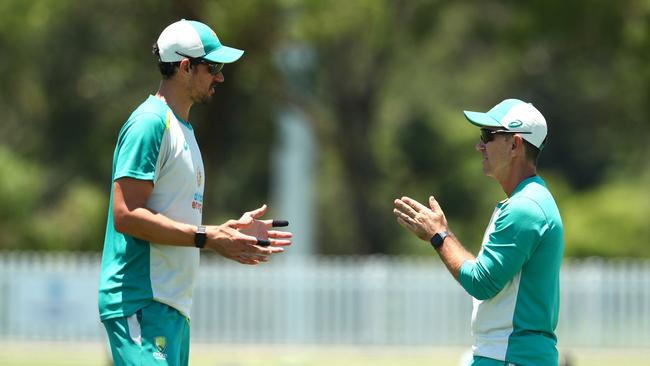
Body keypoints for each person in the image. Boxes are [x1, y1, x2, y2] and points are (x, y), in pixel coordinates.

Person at [98, 19, 293, 366]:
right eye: (212, 67)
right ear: (185, 67)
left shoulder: (182, 129)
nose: (220, 76)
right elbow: (125, 214)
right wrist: (207, 237)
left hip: (170, 306)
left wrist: (224, 231)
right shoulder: (150, 123)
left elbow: (172, 216)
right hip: (143, 301)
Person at [393, 99, 564, 366]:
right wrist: (441, 233)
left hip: (510, 357)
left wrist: (438, 237)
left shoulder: (524, 207)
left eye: (487, 136)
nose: (479, 145)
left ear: (515, 144)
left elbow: (481, 282)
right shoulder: (527, 201)